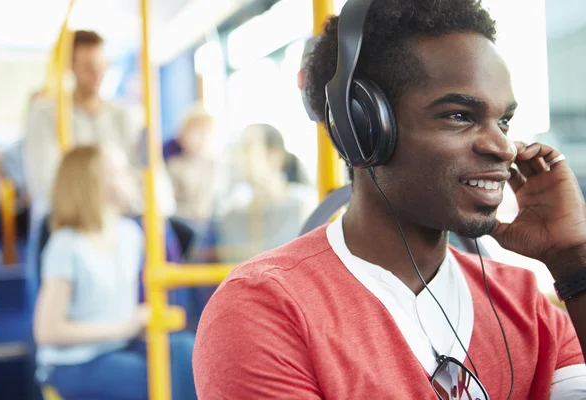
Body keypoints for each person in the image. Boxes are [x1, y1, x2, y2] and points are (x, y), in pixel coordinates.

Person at [193, 1, 586, 399]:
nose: (503, 147)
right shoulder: (265, 308)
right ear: (363, 127)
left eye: (503, 121)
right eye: (459, 116)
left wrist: (574, 261)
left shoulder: (525, 303)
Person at [33, 145, 195, 399]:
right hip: (74, 361)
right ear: (94, 184)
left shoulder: (130, 233)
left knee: (186, 352)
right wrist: (125, 326)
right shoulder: (66, 245)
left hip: (121, 346)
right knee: (150, 378)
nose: (130, 175)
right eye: (119, 170)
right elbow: (47, 330)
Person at [24, 30, 175, 217]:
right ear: (70, 67)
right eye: (87, 67)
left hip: (125, 212)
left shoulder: (130, 116)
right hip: (70, 216)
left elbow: (152, 170)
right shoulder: (46, 115)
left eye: (101, 66)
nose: (97, 75)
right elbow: (44, 182)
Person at [215, 123, 316, 263]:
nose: (236, 156)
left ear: (273, 156)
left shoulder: (306, 209)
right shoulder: (230, 218)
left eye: (246, 148)